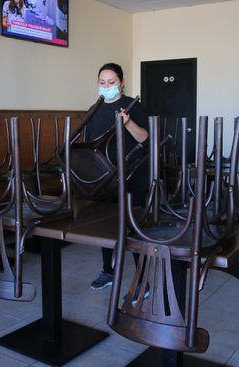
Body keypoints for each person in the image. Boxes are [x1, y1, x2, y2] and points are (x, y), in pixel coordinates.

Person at [86, 63, 150, 290]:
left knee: (134, 228)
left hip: (134, 176)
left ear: (121, 83)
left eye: (111, 82)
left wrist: (129, 122)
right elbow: (89, 146)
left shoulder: (133, 106)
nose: (106, 87)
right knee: (106, 226)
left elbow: (146, 139)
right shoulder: (93, 109)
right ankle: (108, 271)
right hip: (105, 179)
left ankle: (143, 281)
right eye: (102, 83)